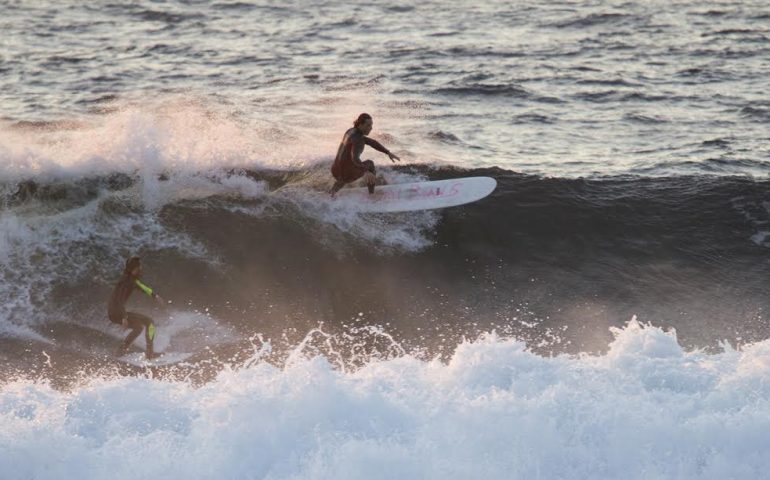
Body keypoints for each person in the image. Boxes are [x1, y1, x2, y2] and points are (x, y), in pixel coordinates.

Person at [108, 256, 166, 359]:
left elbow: (142, 287)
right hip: (117, 312)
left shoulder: (130, 279)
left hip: (114, 312)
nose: (141, 269)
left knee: (139, 327)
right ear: (133, 269)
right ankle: (149, 354)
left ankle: (121, 351)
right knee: (150, 323)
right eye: (139, 268)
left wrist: (155, 296)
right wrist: (124, 317)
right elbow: (119, 299)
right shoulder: (127, 282)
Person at [330, 113, 400, 196]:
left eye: (371, 125)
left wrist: (387, 152)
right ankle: (371, 195)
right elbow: (354, 158)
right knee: (370, 164)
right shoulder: (358, 140)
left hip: (335, 170)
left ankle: (332, 193)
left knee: (345, 168)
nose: (371, 128)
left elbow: (371, 142)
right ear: (360, 125)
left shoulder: (351, 131)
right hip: (346, 174)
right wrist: (366, 171)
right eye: (368, 125)